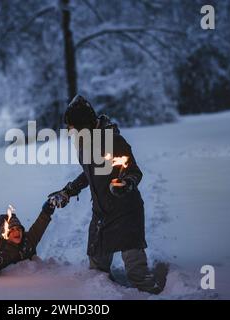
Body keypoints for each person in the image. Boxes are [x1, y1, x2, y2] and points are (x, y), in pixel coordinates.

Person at [48, 95, 167, 294]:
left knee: (137, 273)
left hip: (126, 212)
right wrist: (68, 191)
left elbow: (134, 171)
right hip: (101, 214)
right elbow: (89, 174)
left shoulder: (114, 141)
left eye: (71, 126)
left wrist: (126, 184)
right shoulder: (83, 144)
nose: (69, 131)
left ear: (84, 125)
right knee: (97, 271)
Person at [0, 200, 55, 275]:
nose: (17, 232)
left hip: (35, 280)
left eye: (18, 229)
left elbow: (39, 225)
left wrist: (47, 210)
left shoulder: (28, 240)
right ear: (4, 235)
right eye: (12, 230)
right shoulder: (5, 251)